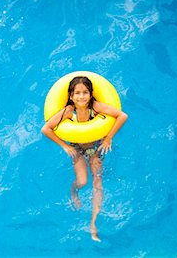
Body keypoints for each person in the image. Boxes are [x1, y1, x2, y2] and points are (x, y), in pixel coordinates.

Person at [41, 76, 128, 242]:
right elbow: (46, 129)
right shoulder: (68, 111)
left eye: (85, 92)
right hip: (77, 149)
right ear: (71, 96)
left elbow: (122, 115)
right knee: (82, 182)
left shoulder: (95, 107)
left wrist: (108, 137)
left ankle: (93, 223)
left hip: (94, 149)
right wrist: (65, 146)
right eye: (77, 93)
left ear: (91, 94)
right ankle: (74, 192)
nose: (81, 96)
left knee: (98, 180)